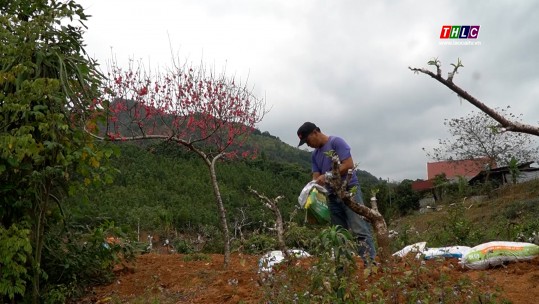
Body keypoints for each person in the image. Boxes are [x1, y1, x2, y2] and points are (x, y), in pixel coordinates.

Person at [297, 121, 376, 262]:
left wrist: (326, 176)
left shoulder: (336, 142)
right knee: (339, 233)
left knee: (359, 229)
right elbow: (316, 176)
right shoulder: (315, 155)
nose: (308, 145)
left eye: (307, 140)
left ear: (315, 132)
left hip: (348, 191)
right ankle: (343, 268)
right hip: (332, 195)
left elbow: (348, 164)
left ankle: (370, 263)